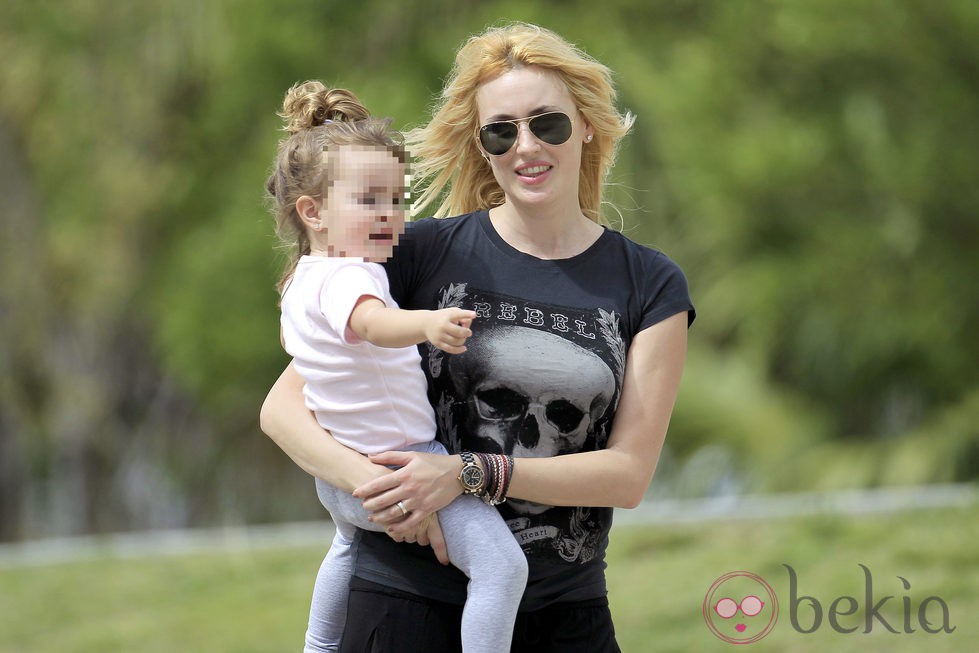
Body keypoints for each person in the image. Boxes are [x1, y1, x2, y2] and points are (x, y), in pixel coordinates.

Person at [261, 23, 695, 653]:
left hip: (567, 618)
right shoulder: (415, 253)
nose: (526, 146)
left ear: (589, 126)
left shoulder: (650, 284)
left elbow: (628, 474)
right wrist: (393, 496)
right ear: (484, 145)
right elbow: (283, 409)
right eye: (501, 130)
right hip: (401, 605)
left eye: (547, 122)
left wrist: (466, 473)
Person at [265, 80, 528, 653]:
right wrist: (427, 324)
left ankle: (318, 646)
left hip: (339, 473)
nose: (390, 215)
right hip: (403, 461)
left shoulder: (299, 280)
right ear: (312, 212)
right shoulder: (350, 274)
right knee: (503, 571)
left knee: (347, 549)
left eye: (394, 199)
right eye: (369, 201)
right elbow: (371, 325)